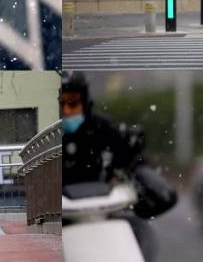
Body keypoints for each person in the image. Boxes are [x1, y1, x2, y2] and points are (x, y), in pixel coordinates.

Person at [60, 72, 177, 262]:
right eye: (60, 104)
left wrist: (147, 179)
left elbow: (132, 158)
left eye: (72, 103)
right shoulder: (46, 135)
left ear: (85, 102)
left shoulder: (103, 129)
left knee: (142, 231)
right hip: (57, 221)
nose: (66, 111)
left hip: (107, 215)